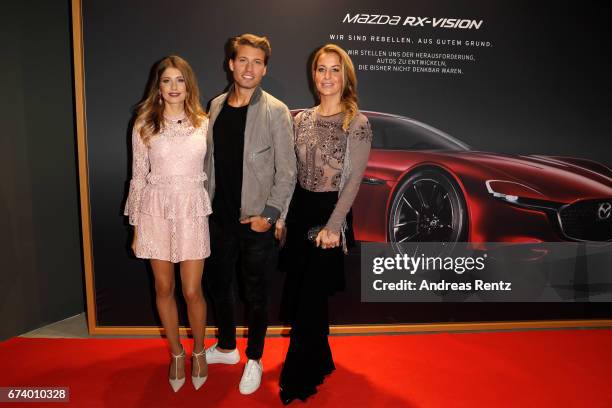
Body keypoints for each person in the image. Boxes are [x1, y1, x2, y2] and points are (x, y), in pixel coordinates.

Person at [278, 44, 372, 404]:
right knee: (305, 293)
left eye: (335, 70)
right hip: (301, 209)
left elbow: (354, 180)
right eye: (322, 69)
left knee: (310, 297)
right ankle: (320, 360)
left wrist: (334, 226)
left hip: (330, 214)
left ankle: (297, 378)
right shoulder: (300, 119)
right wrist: (283, 217)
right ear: (313, 74)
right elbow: (290, 173)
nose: (327, 76)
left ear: (345, 76)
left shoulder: (357, 122)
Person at [203, 34, 296, 395]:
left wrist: (270, 216)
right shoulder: (214, 106)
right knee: (218, 287)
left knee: (256, 295)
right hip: (218, 220)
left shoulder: (276, 111)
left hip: (256, 221)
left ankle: (254, 358)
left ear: (265, 69)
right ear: (231, 63)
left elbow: (288, 172)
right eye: (243, 60)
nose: (249, 68)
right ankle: (227, 347)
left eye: (257, 62)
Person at [124, 56, 211, 392]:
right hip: (154, 212)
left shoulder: (203, 122)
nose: (174, 87)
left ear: (188, 85)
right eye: (167, 81)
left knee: (192, 290)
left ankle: (199, 351)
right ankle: (176, 353)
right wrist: (136, 226)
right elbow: (137, 177)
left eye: (180, 80)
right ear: (158, 87)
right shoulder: (143, 124)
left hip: (192, 210)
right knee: (164, 289)